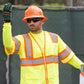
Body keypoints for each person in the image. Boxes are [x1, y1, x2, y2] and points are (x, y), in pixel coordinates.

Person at [2, 3, 84, 84]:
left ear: (42, 21)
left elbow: (70, 56)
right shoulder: (21, 40)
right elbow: (8, 45)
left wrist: (82, 66)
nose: (31, 23)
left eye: (35, 20)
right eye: (28, 20)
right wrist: (7, 23)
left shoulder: (54, 38)